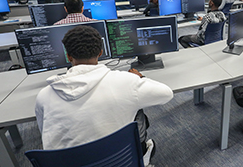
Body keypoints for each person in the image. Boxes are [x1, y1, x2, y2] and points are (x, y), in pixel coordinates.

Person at [35, 25, 173, 165]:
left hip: (70, 163)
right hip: (121, 161)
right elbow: (166, 94)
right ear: (101, 53)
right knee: (136, 108)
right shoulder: (126, 81)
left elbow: (45, 133)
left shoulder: (44, 96)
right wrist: (140, 78)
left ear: (68, 56)